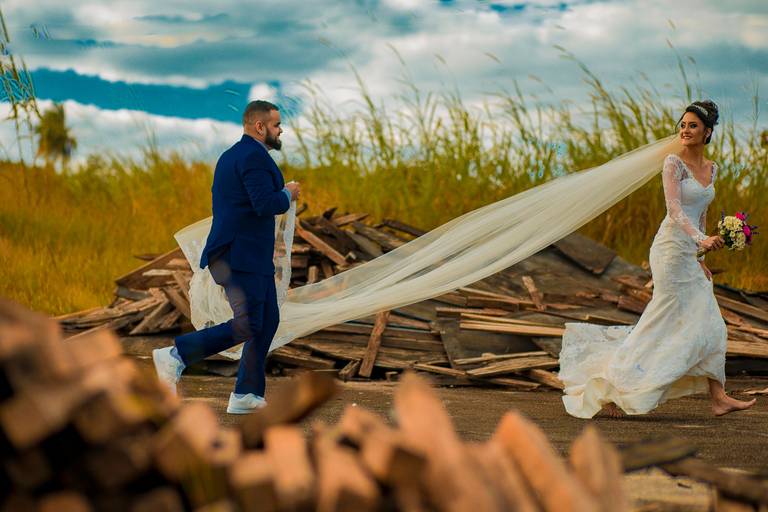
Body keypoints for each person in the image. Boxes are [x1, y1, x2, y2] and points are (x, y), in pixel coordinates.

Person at [558, 100, 757, 418]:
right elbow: (675, 210)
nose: (685, 130)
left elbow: (702, 214)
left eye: (693, 125)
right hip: (668, 250)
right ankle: (613, 387)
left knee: (712, 323)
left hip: (690, 254)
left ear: (707, 132)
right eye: (683, 124)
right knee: (660, 320)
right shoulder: (672, 164)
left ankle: (718, 398)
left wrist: (701, 255)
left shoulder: (712, 169)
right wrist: (700, 240)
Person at [152, 100, 300, 414]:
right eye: (276, 124)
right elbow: (265, 204)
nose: (281, 129)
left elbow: (246, 206)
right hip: (237, 255)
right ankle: (175, 356)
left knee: (267, 321)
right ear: (259, 127)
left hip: (246, 255)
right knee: (248, 324)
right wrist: (287, 192)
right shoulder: (252, 156)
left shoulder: (234, 155)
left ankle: (246, 394)